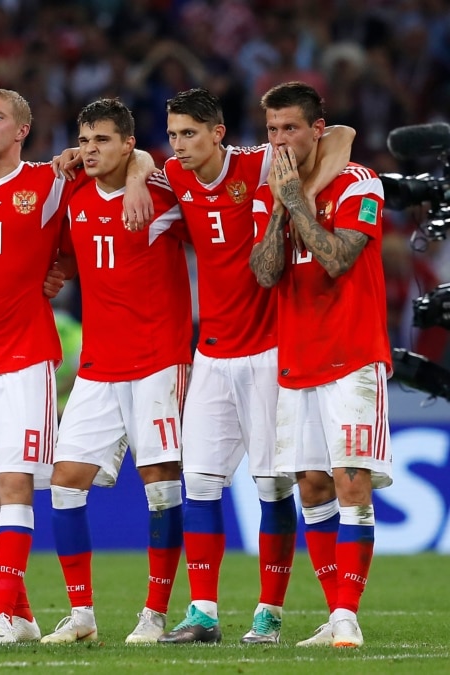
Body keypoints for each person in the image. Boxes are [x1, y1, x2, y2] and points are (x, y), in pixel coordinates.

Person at [0, 89, 155, 644]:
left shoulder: (51, 180)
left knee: (17, 482)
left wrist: (61, 262)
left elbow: (129, 158)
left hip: (24, 355)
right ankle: (19, 615)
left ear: (22, 130)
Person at [155, 88, 354, 645]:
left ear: (218, 133)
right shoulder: (172, 172)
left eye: (190, 133)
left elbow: (340, 137)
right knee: (199, 482)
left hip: (269, 350)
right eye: (172, 134)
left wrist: (300, 191)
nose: (179, 145)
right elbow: (137, 161)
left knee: (272, 485)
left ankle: (268, 615)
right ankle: (202, 614)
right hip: (211, 355)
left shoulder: (259, 162)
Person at [40, 98, 189, 646]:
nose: (90, 150)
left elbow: (165, 167)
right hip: (99, 366)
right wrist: (59, 271)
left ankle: (154, 615)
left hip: (157, 361)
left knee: (161, 487)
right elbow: (78, 255)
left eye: (103, 140)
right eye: (84, 140)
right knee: (64, 484)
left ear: (129, 143)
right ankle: (81, 616)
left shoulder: (163, 194)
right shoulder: (75, 193)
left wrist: (142, 175)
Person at [249, 81, 390, 649]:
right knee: (311, 486)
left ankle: (348, 616)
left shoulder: (361, 181)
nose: (280, 140)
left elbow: (337, 259)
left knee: (351, 481)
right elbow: (263, 273)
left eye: (290, 128)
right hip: (297, 358)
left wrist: (298, 204)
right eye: (272, 130)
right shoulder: (274, 192)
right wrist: (281, 207)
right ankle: (334, 613)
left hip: (352, 354)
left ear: (317, 130)